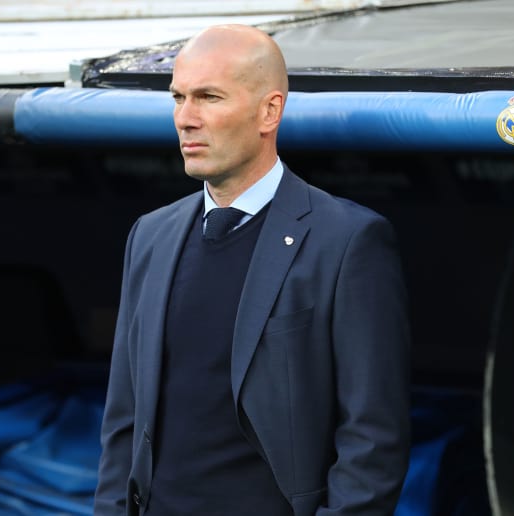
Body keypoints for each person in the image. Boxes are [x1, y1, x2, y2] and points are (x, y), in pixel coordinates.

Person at [93, 24, 410, 516]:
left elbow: (373, 439)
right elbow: (123, 420)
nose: (186, 119)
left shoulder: (347, 241)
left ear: (269, 111)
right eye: (178, 98)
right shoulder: (150, 236)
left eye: (208, 97)